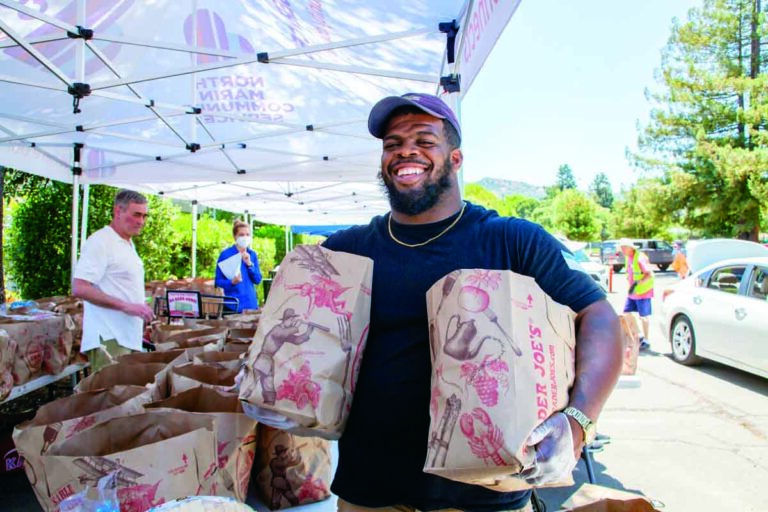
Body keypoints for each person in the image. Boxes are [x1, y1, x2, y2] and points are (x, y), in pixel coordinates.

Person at [321, 92, 622, 512]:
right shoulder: (345, 250)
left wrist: (578, 421)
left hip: (483, 494)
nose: (405, 150)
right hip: (369, 490)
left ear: (456, 159)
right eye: (393, 144)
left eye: (424, 140)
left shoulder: (511, 241)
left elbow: (599, 315)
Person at [72, 189, 154, 372]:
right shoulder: (100, 241)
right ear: (118, 211)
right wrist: (127, 306)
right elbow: (80, 287)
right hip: (108, 336)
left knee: (124, 396)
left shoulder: (127, 243)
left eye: (144, 216)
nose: (141, 221)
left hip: (126, 335)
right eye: (136, 215)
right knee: (110, 397)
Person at [215, 219, 262, 313]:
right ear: (234, 236)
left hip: (251, 304)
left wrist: (249, 264)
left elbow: (258, 279)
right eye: (241, 235)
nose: (245, 237)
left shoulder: (252, 254)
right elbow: (218, 282)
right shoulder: (225, 255)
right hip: (233, 305)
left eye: (247, 235)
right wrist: (231, 282)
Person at [618, 238, 654, 351]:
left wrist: (638, 283)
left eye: (624, 248)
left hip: (643, 291)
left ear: (631, 248)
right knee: (626, 314)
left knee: (643, 316)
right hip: (633, 292)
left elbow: (649, 274)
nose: (622, 250)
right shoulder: (629, 258)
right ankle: (639, 335)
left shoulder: (640, 258)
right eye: (621, 248)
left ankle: (646, 340)